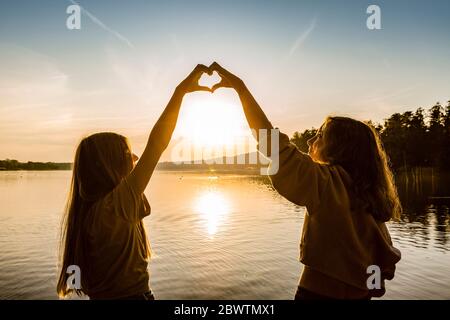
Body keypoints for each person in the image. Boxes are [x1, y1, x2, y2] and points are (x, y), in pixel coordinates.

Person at [209, 62, 402, 300]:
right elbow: (381, 265)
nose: (311, 139)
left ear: (340, 149)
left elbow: (271, 143)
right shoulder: (372, 196)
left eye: (320, 135)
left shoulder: (326, 183)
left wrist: (240, 89)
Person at [56, 64, 213, 299]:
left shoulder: (90, 213)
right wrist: (180, 92)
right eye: (127, 154)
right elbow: (157, 144)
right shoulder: (115, 206)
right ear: (108, 164)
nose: (136, 158)